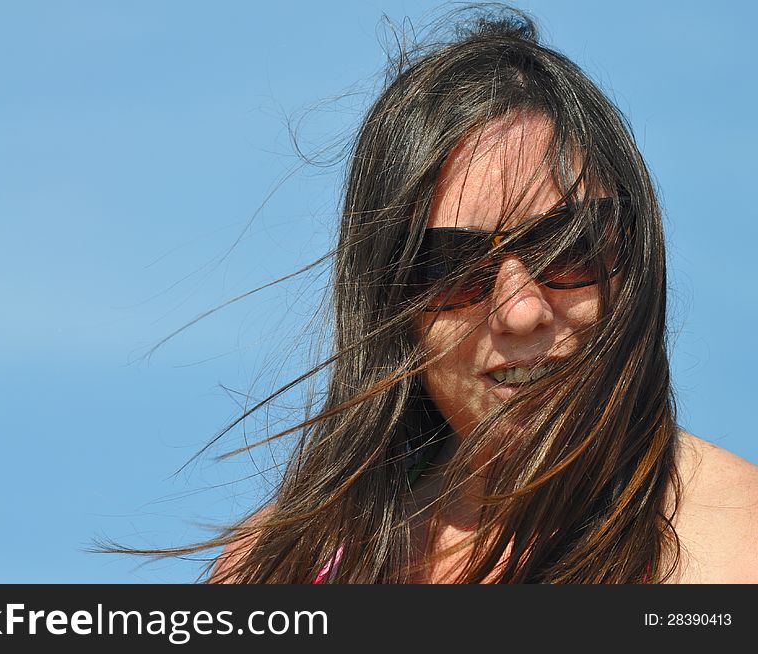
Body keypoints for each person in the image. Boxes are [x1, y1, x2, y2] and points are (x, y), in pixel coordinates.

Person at [114, 6, 758, 583]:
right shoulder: (278, 563)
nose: (521, 310)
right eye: (453, 266)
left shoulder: (735, 549)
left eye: (567, 248)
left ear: (635, 259)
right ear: (387, 297)